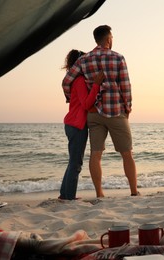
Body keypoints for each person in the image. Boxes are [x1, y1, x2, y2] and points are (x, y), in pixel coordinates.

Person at [62, 25, 139, 197]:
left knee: (96, 154)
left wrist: (69, 97)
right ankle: (134, 191)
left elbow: (66, 81)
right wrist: (128, 108)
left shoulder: (83, 60)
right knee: (127, 153)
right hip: (115, 110)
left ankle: (100, 194)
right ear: (109, 38)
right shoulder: (118, 58)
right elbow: (125, 86)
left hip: (94, 113)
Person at [59, 49, 105, 200]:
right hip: (77, 125)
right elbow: (86, 104)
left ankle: (64, 195)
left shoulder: (75, 80)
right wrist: (97, 85)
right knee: (76, 163)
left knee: (73, 161)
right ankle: (69, 197)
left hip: (72, 124)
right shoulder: (78, 81)